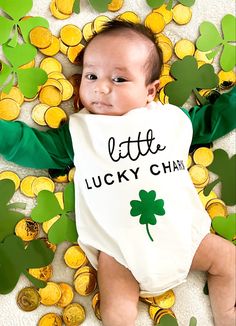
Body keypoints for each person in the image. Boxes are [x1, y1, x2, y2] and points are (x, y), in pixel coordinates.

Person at [0, 20, 235, 326]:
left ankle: (228, 316)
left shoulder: (168, 121)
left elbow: (213, 120)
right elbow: (29, 145)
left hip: (187, 239)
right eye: (91, 75)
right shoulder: (81, 134)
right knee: (116, 312)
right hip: (120, 255)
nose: (101, 86)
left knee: (228, 260)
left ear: (150, 90)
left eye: (120, 78)